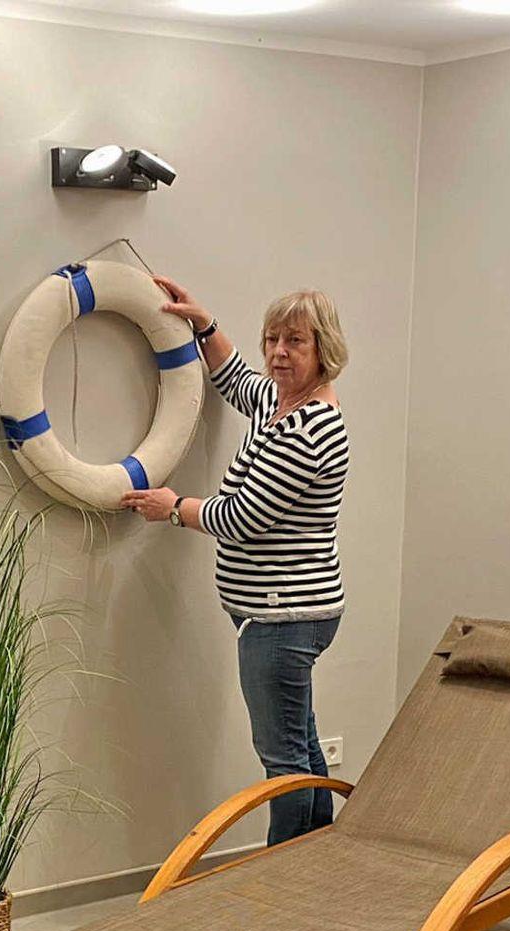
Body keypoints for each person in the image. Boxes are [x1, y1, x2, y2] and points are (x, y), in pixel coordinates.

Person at [119, 278, 351, 846]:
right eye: (272, 339)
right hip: (280, 613)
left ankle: (284, 872)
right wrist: (205, 325)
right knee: (301, 744)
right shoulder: (282, 402)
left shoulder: (311, 431)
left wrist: (174, 508)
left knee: (283, 759)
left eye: (295, 341)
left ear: (323, 349)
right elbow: (238, 382)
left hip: (284, 616)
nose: (278, 352)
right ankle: (320, 857)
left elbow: (241, 517)